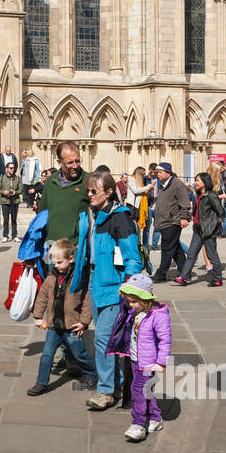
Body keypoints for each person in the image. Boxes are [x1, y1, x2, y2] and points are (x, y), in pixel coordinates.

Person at [73, 170, 143, 411]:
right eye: (88, 191)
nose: (90, 194)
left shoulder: (120, 218)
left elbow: (132, 255)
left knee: (103, 339)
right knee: (107, 340)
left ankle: (105, 391)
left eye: (95, 191)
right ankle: (117, 385)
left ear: (110, 192)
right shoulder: (92, 215)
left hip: (114, 285)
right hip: (94, 279)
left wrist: (129, 286)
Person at [105, 273, 172, 441]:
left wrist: (162, 362)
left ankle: (138, 424)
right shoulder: (135, 309)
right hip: (135, 359)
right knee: (146, 391)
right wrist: (123, 293)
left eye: (133, 301)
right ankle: (156, 419)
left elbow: (165, 340)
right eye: (128, 301)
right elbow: (124, 304)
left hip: (148, 363)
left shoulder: (158, 315)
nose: (130, 305)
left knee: (137, 390)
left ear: (145, 299)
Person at [27, 238, 97, 395]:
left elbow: (87, 302)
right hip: (53, 326)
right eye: (54, 262)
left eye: (59, 262)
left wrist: (84, 322)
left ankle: (91, 374)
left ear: (71, 259)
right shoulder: (51, 277)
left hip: (71, 326)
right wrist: (38, 316)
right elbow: (42, 297)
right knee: (46, 355)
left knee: (80, 354)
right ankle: (41, 383)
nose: (56, 266)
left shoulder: (78, 279)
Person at [175, 171, 224, 287]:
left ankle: (218, 278)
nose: (195, 182)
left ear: (205, 182)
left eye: (198, 180)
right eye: (195, 180)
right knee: (191, 254)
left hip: (208, 231)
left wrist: (215, 228)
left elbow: (221, 212)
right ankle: (183, 277)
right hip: (198, 229)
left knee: (212, 255)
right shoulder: (198, 195)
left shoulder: (211, 195)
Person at [40, 142, 89, 246]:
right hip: (51, 245)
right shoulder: (50, 182)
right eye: (70, 162)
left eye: (78, 161)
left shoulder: (88, 181)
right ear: (59, 162)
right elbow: (42, 214)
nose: (75, 166)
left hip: (76, 247)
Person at [150, 163, 191, 282]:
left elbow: (184, 202)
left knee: (167, 248)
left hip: (172, 222)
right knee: (176, 248)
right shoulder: (162, 184)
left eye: (160, 172)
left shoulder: (177, 184)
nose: (158, 174)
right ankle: (185, 272)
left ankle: (161, 273)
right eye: (157, 172)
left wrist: (184, 217)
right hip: (164, 221)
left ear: (168, 172)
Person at [0, 158, 21, 242]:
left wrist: (15, 192)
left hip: (15, 200)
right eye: (11, 168)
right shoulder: (2, 178)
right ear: (6, 169)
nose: (12, 169)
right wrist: (4, 192)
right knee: (6, 219)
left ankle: (14, 236)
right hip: (5, 201)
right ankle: (5, 235)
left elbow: (21, 190)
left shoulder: (17, 178)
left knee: (14, 219)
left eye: (13, 168)